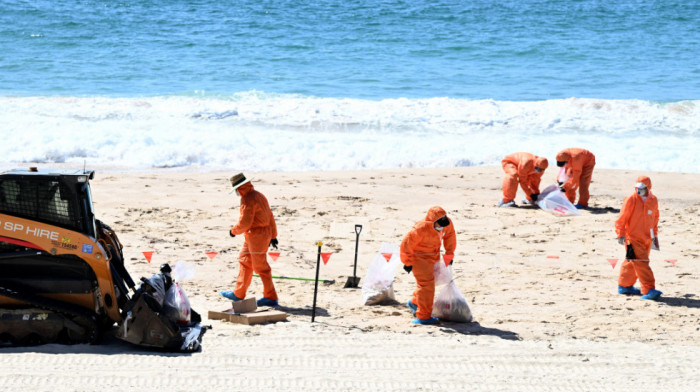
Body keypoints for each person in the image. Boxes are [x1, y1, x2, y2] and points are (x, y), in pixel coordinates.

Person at [220, 173, 280, 307]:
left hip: (257, 236)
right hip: (255, 235)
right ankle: (238, 293)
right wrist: (274, 235)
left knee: (261, 267)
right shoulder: (259, 195)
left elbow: (245, 222)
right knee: (244, 260)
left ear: (239, 188)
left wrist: (233, 231)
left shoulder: (247, 199)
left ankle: (270, 297)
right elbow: (270, 216)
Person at [400, 206, 456, 325]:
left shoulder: (447, 223)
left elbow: (450, 236)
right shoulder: (420, 228)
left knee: (428, 283)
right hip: (418, 259)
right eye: (439, 224)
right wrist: (407, 262)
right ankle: (423, 317)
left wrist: (449, 255)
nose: (441, 226)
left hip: (433, 257)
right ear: (432, 221)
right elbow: (406, 244)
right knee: (427, 286)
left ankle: (415, 303)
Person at [615, 176, 662, 300]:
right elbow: (622, 217)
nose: (639, 191)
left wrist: (654, 237)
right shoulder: (631, 198)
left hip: (647, 237)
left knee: (632, 262)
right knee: (642, 263)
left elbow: (655, 219)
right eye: (637, 188)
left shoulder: (653, 199)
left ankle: (624, 286)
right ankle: (649, 289)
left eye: (642, 188)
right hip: (633, 238)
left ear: (648, 187)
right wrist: (620, 234)